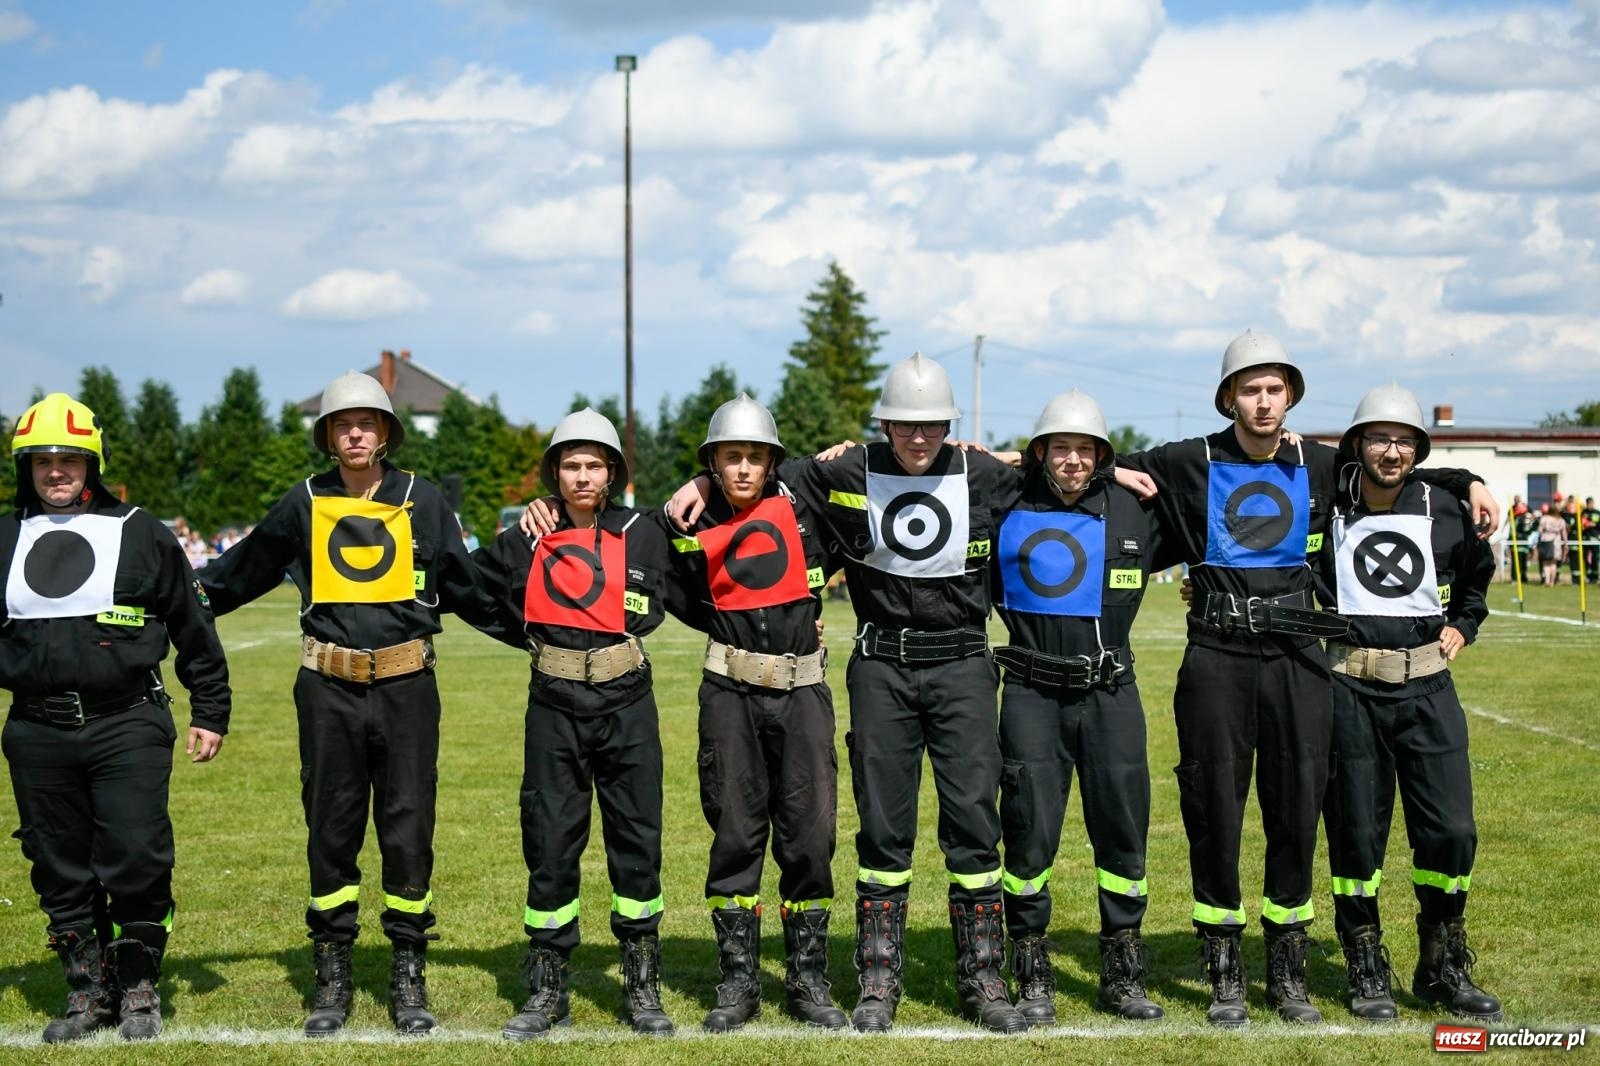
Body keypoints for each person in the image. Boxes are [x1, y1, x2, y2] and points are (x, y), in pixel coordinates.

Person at [1116, 331, 1496, 1027]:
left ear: (1291, 396)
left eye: (1275, 389)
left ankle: (1289, 969)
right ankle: (1225, 968)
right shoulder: (1188, 459)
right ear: (1228, 396)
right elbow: (1084, 461)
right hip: (1216, 657)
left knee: (1295, 811)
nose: (1263, 403)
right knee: (1215, 812)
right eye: (1250, 390)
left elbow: (1396, 471)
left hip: (1298, 661)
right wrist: (1098, 468)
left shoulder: (1322, 463)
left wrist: (1463, 480)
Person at [666, 355, 1030, 1034]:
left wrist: (1026, 453)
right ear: (884, 422)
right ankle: (877, 979)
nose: (917, 437)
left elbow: (1060, 468)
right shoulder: (846, 468)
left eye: (931, 425)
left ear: (949, 425)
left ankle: (984, 980)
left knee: (976, 826)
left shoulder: (982, 472)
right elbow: (759, 468)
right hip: (881, 669)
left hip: (963, 668)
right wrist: (695, 477)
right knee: (884, 830)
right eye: (904, 424)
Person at [198, 371, 500, 1036]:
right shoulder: (304, 501)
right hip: (327, 688)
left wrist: (538, 629)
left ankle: (408, 971)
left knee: (408, 826)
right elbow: (237, 573)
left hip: (408, 688)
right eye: (343, 424)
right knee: (331, 827)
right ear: (328, 436)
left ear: (387, 432)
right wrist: (166, 599)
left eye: (368, 422)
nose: (356, 432)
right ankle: (331, 972)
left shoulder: (423, 501)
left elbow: (470, 590)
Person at [1, 393, 230, 1042]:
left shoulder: (139, 530)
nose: (55, 472)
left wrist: (210, 708)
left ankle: (136, 987)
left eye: (68, 459)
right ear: (26, 467)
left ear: (91, 463)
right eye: (41, 461)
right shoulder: (6, 537)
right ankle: (86, 991)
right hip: (36, 730)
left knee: (136, 853)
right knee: (57, 862)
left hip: (126, 722)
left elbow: (193, 624)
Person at [476, 408, 677, 1039]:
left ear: (612, 472)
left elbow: (706, 575)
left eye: (594, 465)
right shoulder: (527, 535)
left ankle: (641, 983)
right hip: (554, 703)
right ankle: (547, 985)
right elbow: (469, 588)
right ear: (554, 474)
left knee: (637, 844)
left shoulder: (645, 531)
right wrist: (528, 636)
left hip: (628, 700)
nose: (583, 476)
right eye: (571, 465)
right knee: (552, 842)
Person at [655, 394, 847, 1032]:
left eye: (754, 458)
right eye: (729, 458)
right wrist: (690, 487)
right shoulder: (687, 521)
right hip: (730, 691)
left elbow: (871, 461)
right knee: (736, 832)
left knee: (811, 834)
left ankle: (807, 979)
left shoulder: (803, 502)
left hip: (803, 690)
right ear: (712, 462)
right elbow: (668, 582)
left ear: (773, 463)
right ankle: (737, 982)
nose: (743, 470)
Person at [1318, 384, 1500, 1022]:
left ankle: (1442, 957)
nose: (1390, 451)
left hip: (1428, 688)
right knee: (1356, 835)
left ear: (1417, 450)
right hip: (1349, 690)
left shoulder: (1446, 505)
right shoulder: (1324, 500)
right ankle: (1364, 958)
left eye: (1403, 440)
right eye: (1379, 438)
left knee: (1452, 830)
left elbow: (1477, 576)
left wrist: (1466, 624)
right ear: (1357, 444)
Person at [990, 390, 1173, 1025]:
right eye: (1058, 447)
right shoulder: (1004, 502)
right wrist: (1017, 461)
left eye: (1085, 449)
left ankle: (1122, 967)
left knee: (1123, 834)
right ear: (1038, 452)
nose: (1072, 461)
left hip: (1111, 694)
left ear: (1103, 454)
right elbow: (958, 463)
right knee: (1028, 832)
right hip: (1031, 694)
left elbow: (1208, 474)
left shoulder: (1137, 508)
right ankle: (1031, 965)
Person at [1536, 504, 1566, 587]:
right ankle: (1552, 582)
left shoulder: (1544, 519)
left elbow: (1540, 530)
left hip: (1546, 541)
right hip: (1556, 542)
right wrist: (1566, 543)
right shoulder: (1561, 520)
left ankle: (1547, 580)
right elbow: (1564, 533)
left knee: (1546, 563)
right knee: (1553, 563)